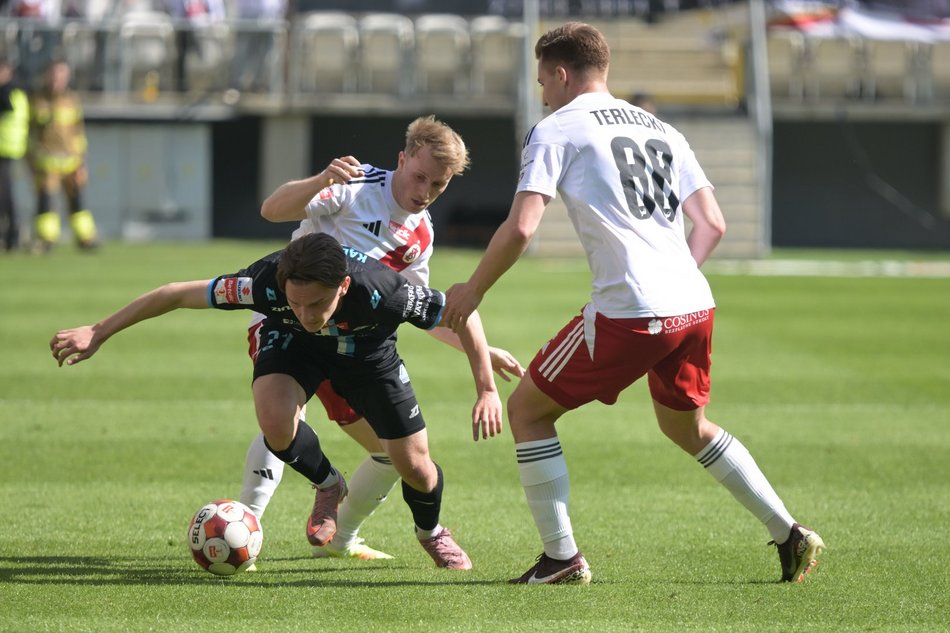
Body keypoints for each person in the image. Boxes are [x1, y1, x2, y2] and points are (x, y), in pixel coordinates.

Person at [442, 22, 824, 585]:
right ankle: (789, 532)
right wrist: (671, 287)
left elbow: (521, 228)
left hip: (630, 309)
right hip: (693, 303)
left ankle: (561, 558)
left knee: (526, 411)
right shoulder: (661, 128)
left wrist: (472, 289)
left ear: (563, 73)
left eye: (544, 79)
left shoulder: (555, 128)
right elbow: (713, 224)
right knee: (687, 428)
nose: (542, 91)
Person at [50, 231, 503, 570]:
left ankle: (431, 532)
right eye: (296, 302)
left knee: (416, 469)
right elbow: (176, 294)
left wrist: (485, 387)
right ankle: (329, 484)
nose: (306, 313)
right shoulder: (264, 282)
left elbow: (463, 313)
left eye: (317, 304)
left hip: (368, 357)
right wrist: (98, 331)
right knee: (274, 418)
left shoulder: (383, 290)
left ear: (343, 287)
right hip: (293, 348)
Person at [246, 115, 524, 561]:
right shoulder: (354, 186)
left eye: (438, 185)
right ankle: (248, 519)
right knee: (279, 415)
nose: (424, 192)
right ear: (402, 157)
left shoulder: (421, 233)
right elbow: (272, 210)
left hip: (356, 344)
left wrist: (482, 352)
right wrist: (320, 179)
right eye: (419, 177)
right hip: (295, 325)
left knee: (396, 456)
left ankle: (341, 539)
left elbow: (416, 308)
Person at [27, 59, 98, 252]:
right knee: (46, 202)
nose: (57, 79)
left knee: (78, 202)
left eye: (61, 74)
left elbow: (79, 134)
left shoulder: (72, 100)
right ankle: (46, 239)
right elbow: (29, 133)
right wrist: (30, 162)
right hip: (46, 161)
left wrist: (82, 162)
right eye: (54, 74)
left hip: (71, 161)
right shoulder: (36, 100)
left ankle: (86, 238)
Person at [0, 58, 29, 252]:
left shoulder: (8, 93)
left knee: (5, 195)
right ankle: (12, 235)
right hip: (9, 150)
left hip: (5, 150)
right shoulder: (17, 92)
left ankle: (12, 235)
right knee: (6, 195)